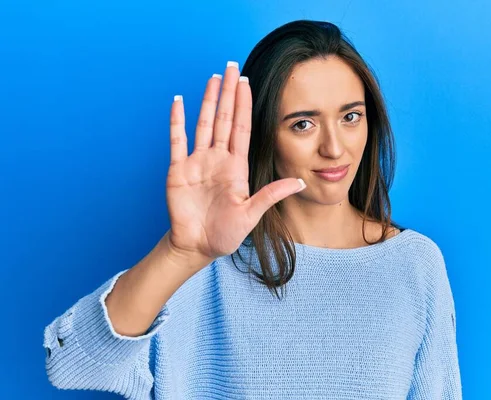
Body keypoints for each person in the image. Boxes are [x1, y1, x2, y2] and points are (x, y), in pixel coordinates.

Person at [43, 19, 462, 399]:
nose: (335, 148)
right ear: (264, 134)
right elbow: (69, 364)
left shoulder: (415, 264)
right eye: (303, 123)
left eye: (351, 117)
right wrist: (180, 255)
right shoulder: (204, 265)